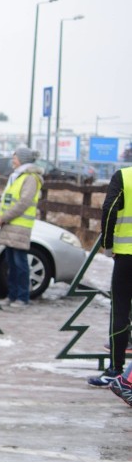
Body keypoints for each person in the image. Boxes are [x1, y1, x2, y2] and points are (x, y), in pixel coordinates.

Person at [89, 165, 132, 387]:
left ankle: (116, 369)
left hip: (126, 256)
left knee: (120, 310)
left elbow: (110, 208)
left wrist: (107, 244)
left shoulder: (124, 176)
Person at [0, 147, 43, 308]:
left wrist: (4, 217)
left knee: (20, 263)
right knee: (11, 263)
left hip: (19, 225)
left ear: (22, 159)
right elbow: (6, 199)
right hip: (10, 225)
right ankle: (12, 295)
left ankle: (22, 296)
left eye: (15, 158)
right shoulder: (16, 176)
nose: (12, 161)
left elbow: (24, 202)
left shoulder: (30, 178)